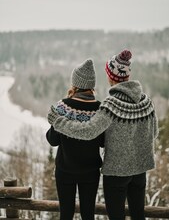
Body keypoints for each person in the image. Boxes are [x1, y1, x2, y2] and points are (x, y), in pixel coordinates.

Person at [47, 49, 159, 220]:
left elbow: (88, 132)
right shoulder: (146, 101)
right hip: (140, 171)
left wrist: (59, 122)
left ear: (110, 76)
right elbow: (154, 133)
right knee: (138, 216)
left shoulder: (110, 105)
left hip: (116, 173)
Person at [46, 59, 104, 220]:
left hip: (65, 171)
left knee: (66, 214)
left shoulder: (63, 107)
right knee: (88, 215)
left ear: (75, 84)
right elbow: (103, 142)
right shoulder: (100, 109)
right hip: (91, 172)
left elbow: (52, 140)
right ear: (92, 85)